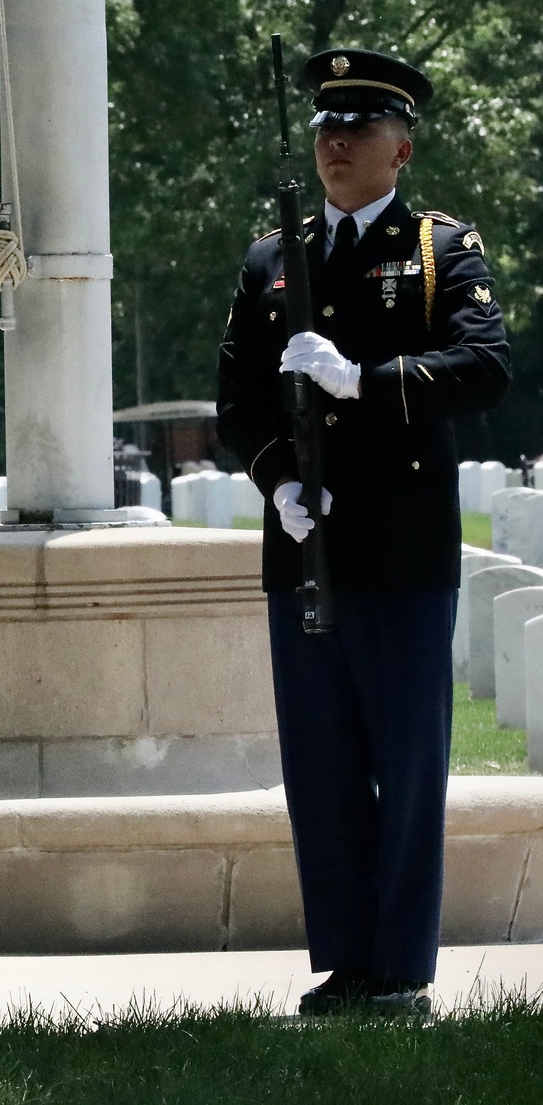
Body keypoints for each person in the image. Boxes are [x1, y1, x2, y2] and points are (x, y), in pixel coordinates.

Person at [216, 48, 509, 1016]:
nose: (336, 140)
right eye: (325, 125)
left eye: (359, 124)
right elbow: (237, 398)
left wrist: (363, 382)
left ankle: (403, 967)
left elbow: (481, 363)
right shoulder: (273, 258)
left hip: (401, 548)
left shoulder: (437, 248)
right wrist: (276, 482)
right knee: (324, 762)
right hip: (305, 546)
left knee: (406, 761)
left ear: (402, 146)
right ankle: (345, 958)